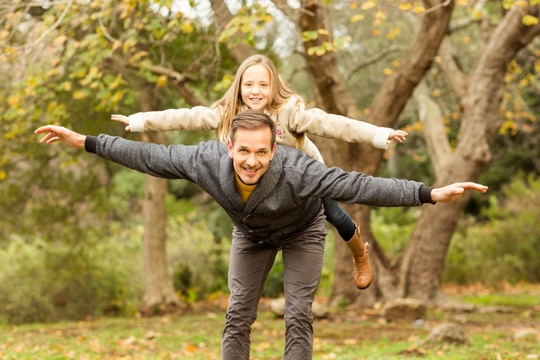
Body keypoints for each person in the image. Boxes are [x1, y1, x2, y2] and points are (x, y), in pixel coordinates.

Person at [35, 110, 487, 360]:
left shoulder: (299, 169)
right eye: (244, 151)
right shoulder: (205, 159)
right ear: (229, 146)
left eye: (261, 152)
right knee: (236, 315)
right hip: (250, 235)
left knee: (297, 315)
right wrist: (83, 141)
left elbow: (358, 184)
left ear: (275, 150)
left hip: (301, 231)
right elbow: (148, 156)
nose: (251, 160)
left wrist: (429, 193)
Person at [110, 54, 409, 290]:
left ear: (274, 87)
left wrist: (378, 135)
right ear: (239, 86)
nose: (256, 91)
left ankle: (359, 251)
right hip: (257, 187)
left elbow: (332, 124)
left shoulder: (290, 111)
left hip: (303, 180)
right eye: (249, 84)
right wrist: (139, 121)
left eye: (263, 85)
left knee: (335, 215)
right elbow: (185, 117)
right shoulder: (226, 113)